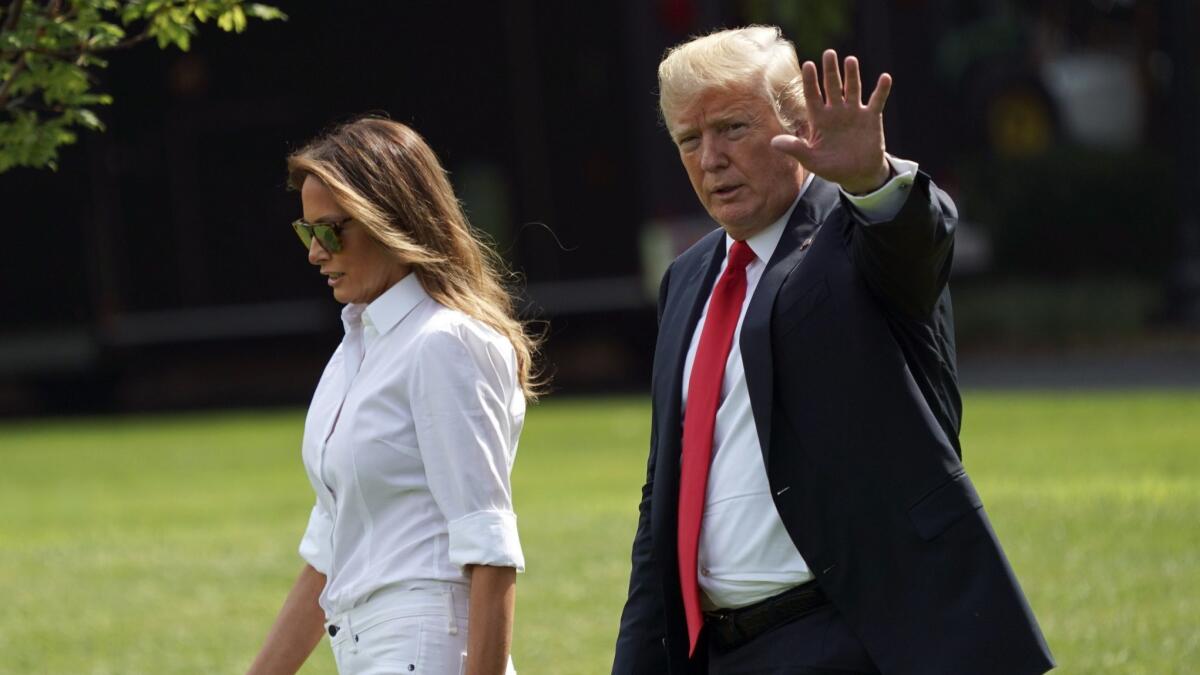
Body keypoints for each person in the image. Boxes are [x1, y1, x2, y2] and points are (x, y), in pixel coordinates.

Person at [613, 26, 1054, 675]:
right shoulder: (686, 278)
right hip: (722, 654)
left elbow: (913, 245)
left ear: (799, 123)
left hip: (852, 639)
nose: (710, 158)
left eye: (732, 128)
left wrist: (871, 180)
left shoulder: (856, 230)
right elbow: (664, 496)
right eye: (689, 139)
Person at [246, 117, 536, 675]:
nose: (315, 253)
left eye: (331, 231)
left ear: (393, 219)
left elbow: (489, 545)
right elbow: (329, 548)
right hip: (368, 652)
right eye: (306, 233)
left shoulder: (445, 342)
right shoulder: (356, 348)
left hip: (425, 649)